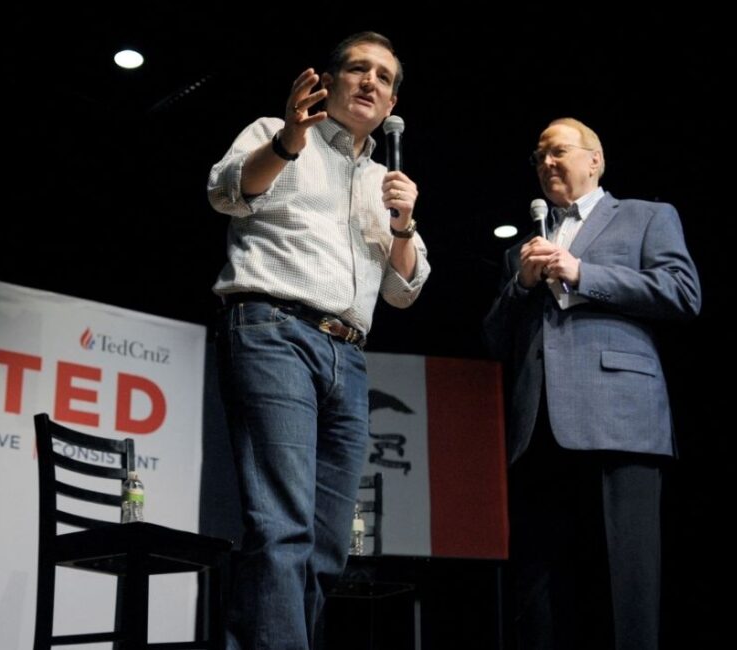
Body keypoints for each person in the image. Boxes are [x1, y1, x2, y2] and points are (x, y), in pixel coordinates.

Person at [207, 31, 429, 650]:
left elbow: (405, 290)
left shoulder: (387, 180)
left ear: (390, 106)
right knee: (280, 528)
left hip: (349, 357)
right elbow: (226, 192)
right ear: (326, 83)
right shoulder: (275, 134)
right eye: (357, 70)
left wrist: (405, 227)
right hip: (273, 332)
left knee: (327, 543)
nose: (370, 83)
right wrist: (285, 141)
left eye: (384, 78)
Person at [483, 117, 702, 650]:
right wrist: (521, 285)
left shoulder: (646, 217)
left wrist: (583, 273)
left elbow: (682, 292)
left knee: (622, 590)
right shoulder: (523, 251)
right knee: (541, 600)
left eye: (557, 151)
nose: (546, 163)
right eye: (538, 157)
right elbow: (494, 339)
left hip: (620, 422)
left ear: (595, 159)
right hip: (538, 432)